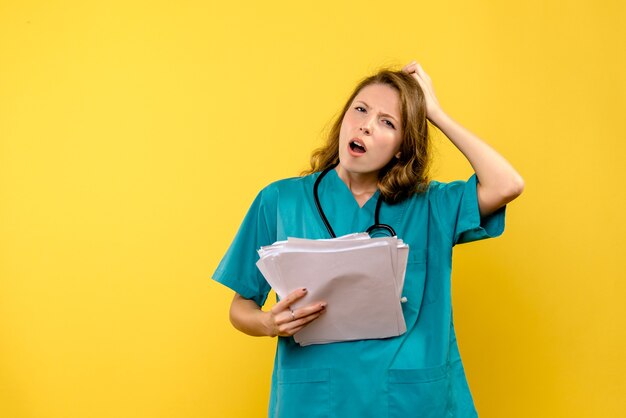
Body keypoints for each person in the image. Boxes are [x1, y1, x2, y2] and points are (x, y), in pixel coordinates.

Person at [212, 60, 524, 417]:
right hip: (315, 401)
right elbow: (240, 307)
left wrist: (434, 112)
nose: (366, 125)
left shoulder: (431, 206)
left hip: (411, 401)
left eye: (387, 122)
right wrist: (269, 323)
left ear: (403, 148)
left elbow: (507, 184)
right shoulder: (280, 200)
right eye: (360, 109)